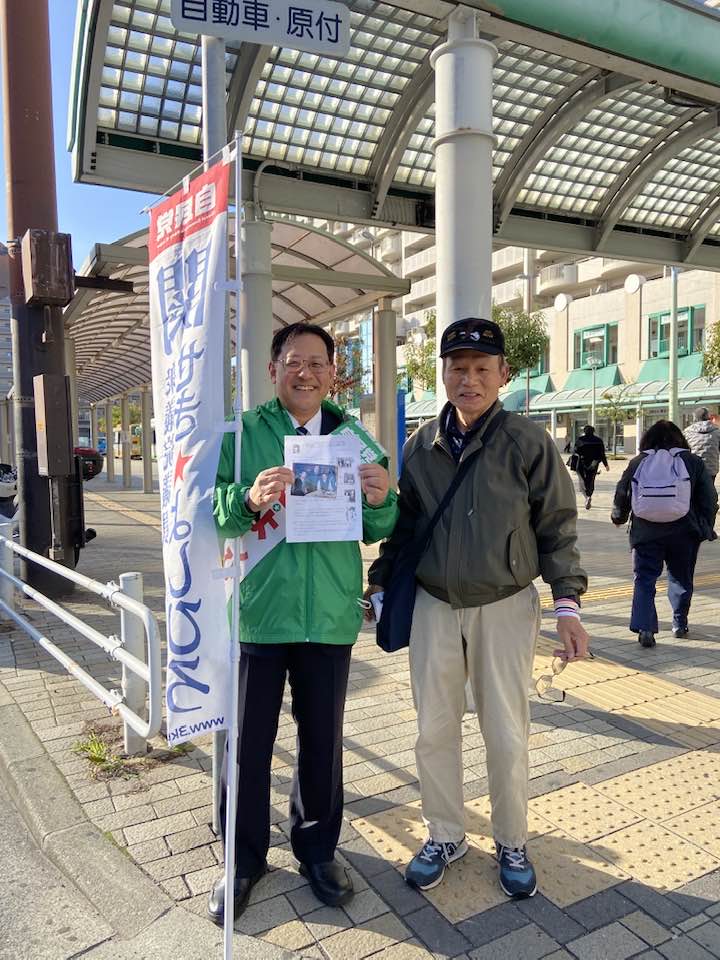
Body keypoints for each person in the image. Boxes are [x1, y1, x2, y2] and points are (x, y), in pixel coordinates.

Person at [366, 317, 588, 900]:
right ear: (441, 374)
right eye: (457, 368)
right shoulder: (419, 445)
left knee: (507, 732)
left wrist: (568, 605)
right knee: (433, 730)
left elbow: (558, 527)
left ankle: (511, 839)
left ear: (503, 374)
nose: (469, 380)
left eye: (481, 369)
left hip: (506, 605)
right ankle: (444, 833)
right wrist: (382, 582)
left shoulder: (527, 442)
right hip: (435, 606)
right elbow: (405, 530)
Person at [209, 322, 398, 925]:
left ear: (333, 372)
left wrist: (381, 498)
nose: (306, 372)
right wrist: (247, 499)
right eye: (294, 361)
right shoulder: (241, 435)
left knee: (322, 744)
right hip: (259, 615)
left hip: (330, 618)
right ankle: (241, 861)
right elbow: (213, 511)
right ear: (273, 369)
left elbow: (381, 524)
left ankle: (317, 851)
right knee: (247, 747)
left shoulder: (356, 439)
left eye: (318, 362)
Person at [611, 419, 717, 648]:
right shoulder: (692, 462)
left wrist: (618, 517)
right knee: (681, 576)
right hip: (685, 531)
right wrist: (705, 526)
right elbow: (709, 498)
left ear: (647, 440)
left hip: (645, 532)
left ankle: (645, 628)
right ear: (680, 439)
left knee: (644, 579)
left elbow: (623, 491)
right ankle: (679, 623)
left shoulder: (639, 461)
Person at [573, 425, 609, 509]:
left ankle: (586, 497)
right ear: (593, 431)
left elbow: (575, 451)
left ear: (585, 431)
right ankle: (589, 495)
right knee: (591, 480)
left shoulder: (580, 440)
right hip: (594, 463)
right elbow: (602, 454)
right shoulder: (598, 440)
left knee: (582, 481)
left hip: (581, 463)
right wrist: (606, 465)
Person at [684, 407, 719, 484]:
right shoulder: (717, 431)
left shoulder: (687, 432)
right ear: (708, 417)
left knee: (694, 491)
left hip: (693, 468)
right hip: (711, 469)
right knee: (709, 491)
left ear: (695, 418)